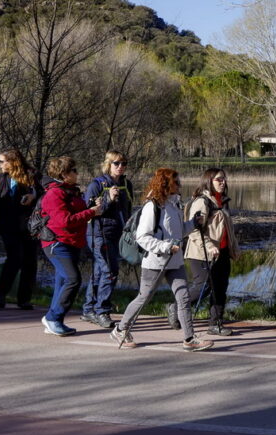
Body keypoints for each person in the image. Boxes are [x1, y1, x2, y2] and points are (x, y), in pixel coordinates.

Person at [112, 168, 213, 351]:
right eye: (176, 182)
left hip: (174, 261)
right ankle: (120, 329)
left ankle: (189, 339)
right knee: (144, 298)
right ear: (166, 184)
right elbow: (142, 237)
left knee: (183, 297)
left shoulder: (174, 205)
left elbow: (177, 232)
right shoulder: (153, 206)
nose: (180, 184)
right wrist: (166, 247)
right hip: (156, 262)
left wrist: (192, 224)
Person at [39, 156, 105, 337]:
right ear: (64, 174)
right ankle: (53, 317)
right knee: (72, 279)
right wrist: (89, 213)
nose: (77, 173)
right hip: (56, 243)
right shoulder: (54, 194)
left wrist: (91, 207)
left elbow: (76, 212)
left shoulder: (69, 191)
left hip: (71, 242)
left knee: (62, 281)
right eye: (74, 170)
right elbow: (64, 221)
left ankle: (55, 321)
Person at [0, 149, 40, 310]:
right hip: (8, 225)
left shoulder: (32, 176)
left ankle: (24, 299)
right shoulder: (1, 178)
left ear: (13, 162)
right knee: (15, 258)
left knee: (30, 261)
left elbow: (45, 194)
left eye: (2, 161)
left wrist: (34, 197)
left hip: (29, 226)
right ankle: (1, 294)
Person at [81, 150, 134, 328]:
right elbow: (88, 211)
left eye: (123, 163)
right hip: (98, 234)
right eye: (116, 163)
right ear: (108, 164)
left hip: (118, 234)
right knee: (110, 271)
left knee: (100, 272)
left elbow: (128, 210)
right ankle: (102, 311)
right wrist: (108, 200)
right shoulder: (97, 184)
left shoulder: (127, 184)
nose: (120, 167)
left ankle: (89, 309)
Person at [184, 168, 241, 336]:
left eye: (224, 179)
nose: (223, 182)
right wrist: (208, 245)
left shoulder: (222, 201)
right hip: (201, 253)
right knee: (204, 286)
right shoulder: (202, 202)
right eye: (218, 180)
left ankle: (215, 324)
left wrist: (234, 248)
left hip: (221, 252)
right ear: (209, 181)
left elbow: (227, 229)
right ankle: (178, 307)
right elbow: (193, 229)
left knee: (220, 288)